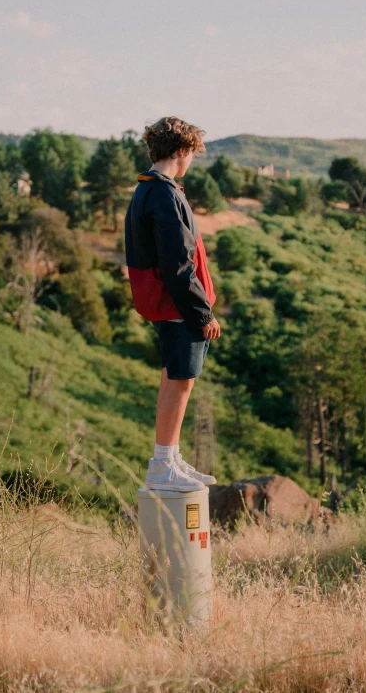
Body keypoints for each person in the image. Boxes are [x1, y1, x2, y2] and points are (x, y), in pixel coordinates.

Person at [124, 116, 220, 491]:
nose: (192, 160)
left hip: (169, 304)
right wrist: (202, 313)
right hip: (178, 306)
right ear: (182, 150)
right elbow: (178, 264)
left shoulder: (148, 188)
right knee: (182, 380)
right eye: (193, 153)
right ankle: (163, 465)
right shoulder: (163, 194)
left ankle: (170, 459)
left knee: (175, 377)